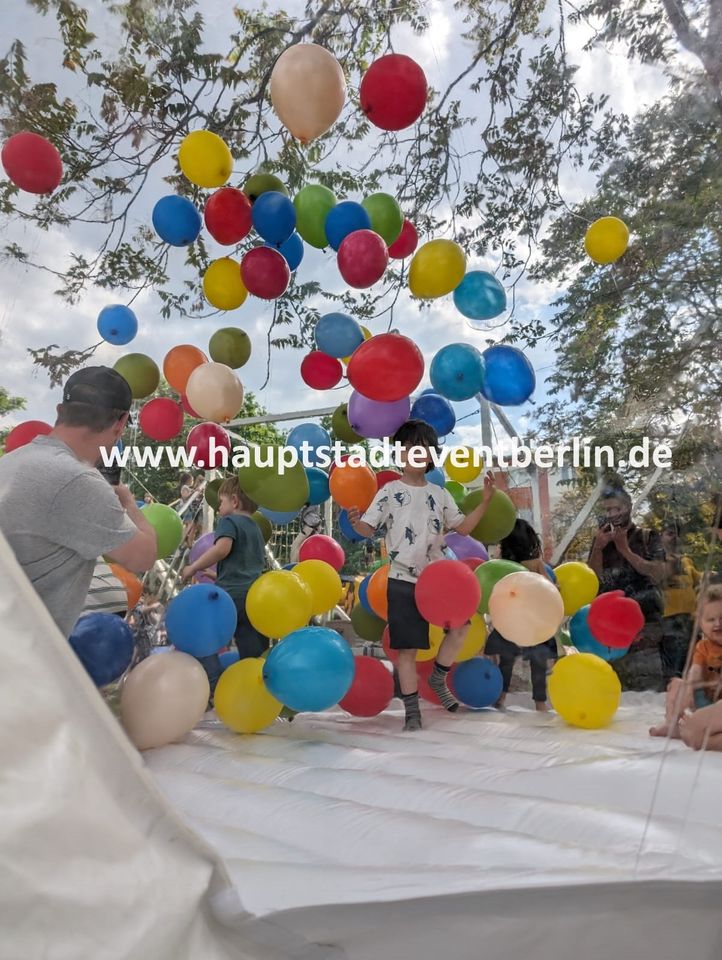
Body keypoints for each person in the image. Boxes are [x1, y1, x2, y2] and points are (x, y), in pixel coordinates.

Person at [348, 420, 495, 731]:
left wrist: (485, 502)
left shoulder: (439, 494)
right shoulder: (388, 491)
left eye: (421, 448)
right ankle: (412, 712)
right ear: (398, 454)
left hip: (436, 579)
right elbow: (367, 530)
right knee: (407, 650)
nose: (413, 453)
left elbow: (463, 527)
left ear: (430, 457)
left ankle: (439, 679)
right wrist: (356, 522)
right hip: (401, 578)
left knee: (460, 628)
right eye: (406, 447)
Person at [0, 367, 157, 638]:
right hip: (22, 665)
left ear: (60, 411)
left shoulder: (10, 462)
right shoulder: (78, 482)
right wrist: (130, 504)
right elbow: (144, 556)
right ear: (120, 424)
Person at [181, 476, 267, 697]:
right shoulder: (256, 528)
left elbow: (222, 550)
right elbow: (245, 562)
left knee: (204, 636)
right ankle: (255, 691)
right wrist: (215, 573)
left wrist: (193, 567)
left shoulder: (229, 522)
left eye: (221, 502)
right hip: (254, 599)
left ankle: (213, 684)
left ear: (235, 502)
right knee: (253, 650)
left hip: (231, 597)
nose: (219, 507)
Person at [587, 485, 666, 690]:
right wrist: (598, 548)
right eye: (608, 510)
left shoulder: (647, 536)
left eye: (617, 509)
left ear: (628, 507)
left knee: (648, 689)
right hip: (611, 628)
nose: (612, 515)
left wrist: (626, 550)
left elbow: (657, 573)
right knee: (615, 688)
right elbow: (593, 580)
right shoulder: (601, 541)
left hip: (645, 626)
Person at [485, 519, 558, 711]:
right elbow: (549, 588)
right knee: (538, 661)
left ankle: (500, 697)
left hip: (511, 621)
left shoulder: (504, 566)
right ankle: (540, 703)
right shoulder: (535, 563)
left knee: (506, 660)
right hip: (534, 622)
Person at [650, 585, 722, 739]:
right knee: (677, 683)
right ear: (700, 624)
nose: (718, 624)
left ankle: (702, 727)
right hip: (705, 701)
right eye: (711, 620)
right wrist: (690, 685)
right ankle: (672, 724)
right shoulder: (703, 647)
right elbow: (695, 670)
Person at [659, 524, 702, 683]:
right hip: (670, 619)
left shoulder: (686, 560)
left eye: (677, 534)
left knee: (695, 661)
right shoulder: (656, 561)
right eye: (670, 533)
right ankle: (672, 694)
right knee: (675, 667)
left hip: (691, 619)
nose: (674, 537)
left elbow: (699, 581)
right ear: (660, 537)